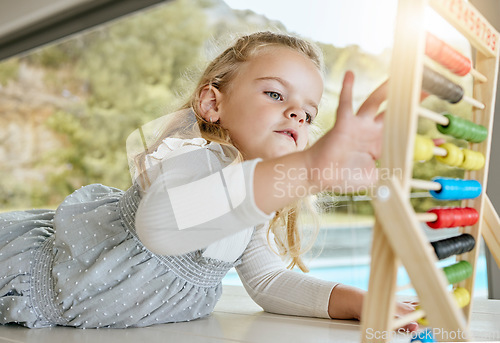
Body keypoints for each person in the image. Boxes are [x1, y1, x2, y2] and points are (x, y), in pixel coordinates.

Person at [0, 31, 417, 330]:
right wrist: (309, 167)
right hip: (20, 272)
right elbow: (161, 225)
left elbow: (269, 281)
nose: (296, 115)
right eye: (275, 94)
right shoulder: (193, 157)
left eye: (308, 114)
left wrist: (363, 302)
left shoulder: (247, 204)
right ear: (212, 103)